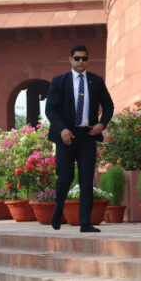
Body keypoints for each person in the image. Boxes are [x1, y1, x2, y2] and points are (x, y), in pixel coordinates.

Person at [45, 44, 114, 232]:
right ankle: (58, 212)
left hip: (87, 136)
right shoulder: (59, 81)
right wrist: (62, 130)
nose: (81, 61)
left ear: (88, 60)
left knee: (86, 180)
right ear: (70, 60)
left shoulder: (96, 81)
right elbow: (50, 109)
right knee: (65, 178)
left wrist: (102, 124)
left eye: (84, 58)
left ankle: (85, 223)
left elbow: (108, 107)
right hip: (66, 136)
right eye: (77, 58)